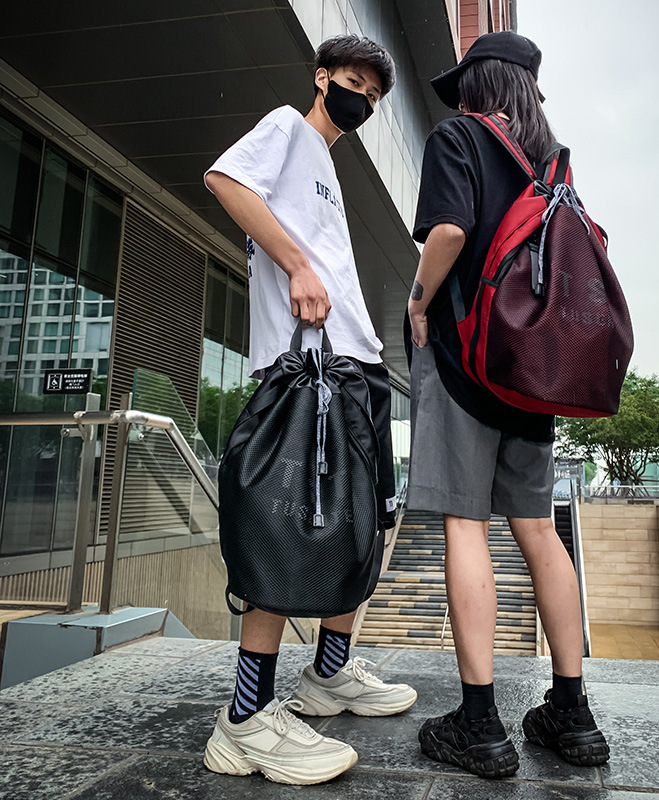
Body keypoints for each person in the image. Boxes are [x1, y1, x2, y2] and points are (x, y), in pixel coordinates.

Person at [201, 34, 417, 786]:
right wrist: (295, 264)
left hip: (355, 368)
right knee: (288, 530)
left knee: (361, 527)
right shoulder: (287, 129)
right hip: (309, 369)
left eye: (376, 95)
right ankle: (245, 719)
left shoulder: (324, 164)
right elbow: (226, 180)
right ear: (323, 78)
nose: (364, 100)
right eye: (354, 83)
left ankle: (327, 674)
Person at [406, 31, 610, 778]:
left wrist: (420, 302)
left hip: (467, 363)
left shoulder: (457, 137)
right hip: (535, 371)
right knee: (536, 529)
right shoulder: (555, 163)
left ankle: (481, 722)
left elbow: (452, 230)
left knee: (468, 525)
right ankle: (572, 710)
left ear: (480, 82)